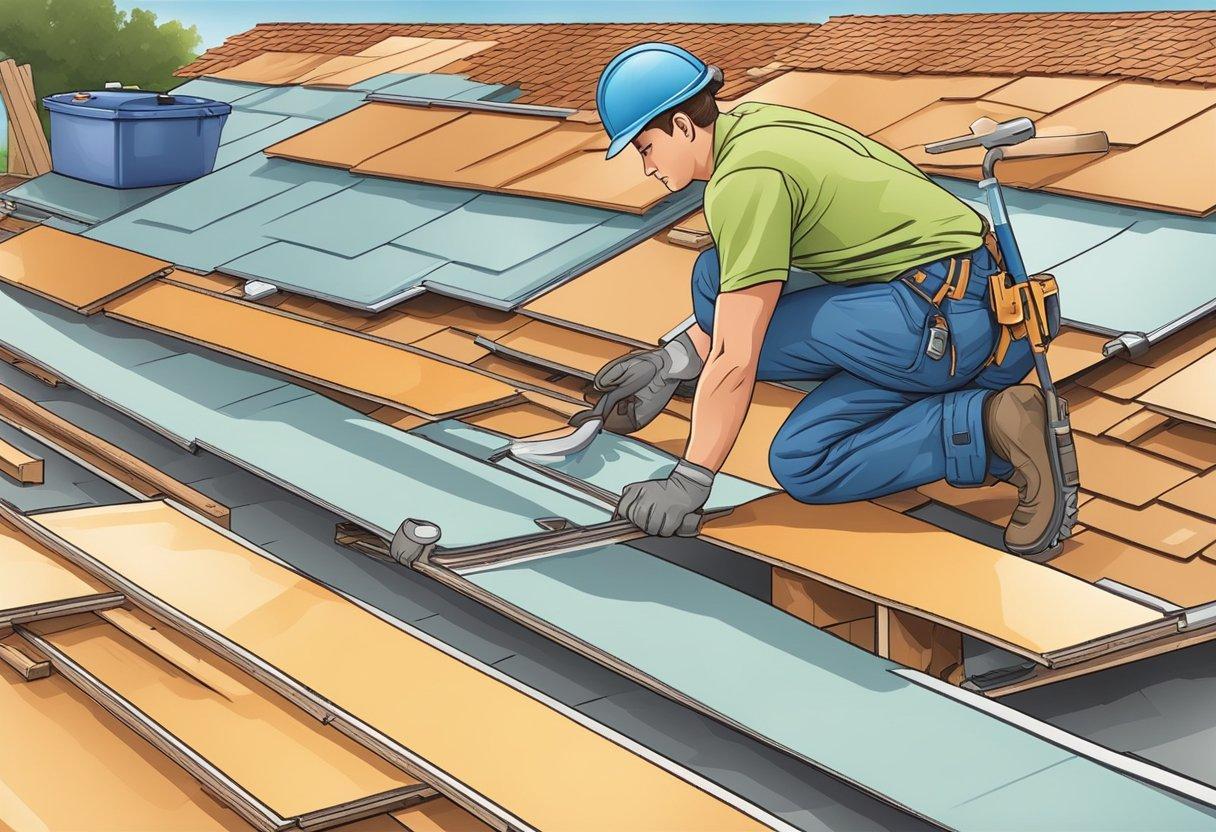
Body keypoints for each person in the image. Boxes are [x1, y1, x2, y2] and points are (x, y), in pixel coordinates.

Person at [577, 42, 1077, 557]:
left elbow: (736, 355)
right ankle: (971, 405)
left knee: (796, 445)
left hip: (940, 328)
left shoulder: (746, 181)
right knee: (724, 295)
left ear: (682, 126)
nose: (647, 167)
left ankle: (993, 427)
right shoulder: (752, 125)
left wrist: (689, 481)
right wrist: (672, 362)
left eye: (644, 148)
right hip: (962, 301)